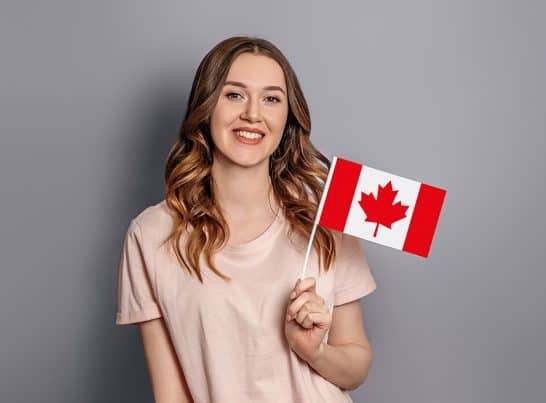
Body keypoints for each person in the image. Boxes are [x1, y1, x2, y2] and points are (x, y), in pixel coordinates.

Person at [115, 36, 377, 403]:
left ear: (287, 116)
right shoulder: (152, 234)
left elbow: (357, 366)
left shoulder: (325, 219)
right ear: (206, 107)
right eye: (234, 94)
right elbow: (171, 394)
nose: (253, 114)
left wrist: (314, 351)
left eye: (271, 99)